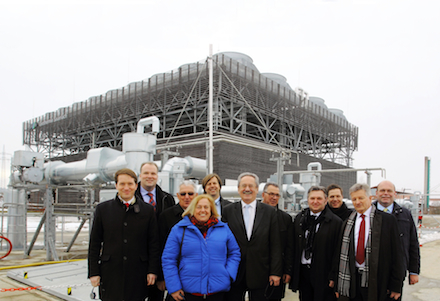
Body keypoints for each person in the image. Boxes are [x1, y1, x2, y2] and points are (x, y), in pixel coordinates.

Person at [88, 168, 159, 301]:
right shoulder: (103, 209)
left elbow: (153, 243)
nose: (126, 188)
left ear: (136, 186)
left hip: (138, 272)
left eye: (130, 184)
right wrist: (94, 272)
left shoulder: (147, 211)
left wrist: (152, 270)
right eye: (122, 184)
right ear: (116, 185)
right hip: (110, 272)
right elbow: (95, 243)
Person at [162, 194, 241, 301]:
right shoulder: (179, 230)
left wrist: (228, 274)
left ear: (211, 209)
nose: (202, 210)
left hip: (217, 292)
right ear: (193, 209)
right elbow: (168, 259)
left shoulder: (223, 229)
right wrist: (174, 287)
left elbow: (234, 253)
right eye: (199, 207)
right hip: (188, 293)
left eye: (206, 207)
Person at [336, 183, 404, 301]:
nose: (357, 202)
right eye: (354, 199)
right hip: (352, 279)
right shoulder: (347, 223)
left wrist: (396, 285)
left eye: (361, 198)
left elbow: (397, 255)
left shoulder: (387, 221)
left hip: (377, 280)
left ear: (370, 198)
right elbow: (339, 253)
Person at [222, 172, 282, 301]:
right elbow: (223, 243)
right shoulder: (228, 211)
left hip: (261, 272)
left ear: (256, 189)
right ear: (238, 189)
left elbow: (275, 244)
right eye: (244, 186)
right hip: (235, 272)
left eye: (251, 186)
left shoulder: (270, 212)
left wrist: (275, 272)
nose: (247, 189)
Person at [290, 186, 342, 301]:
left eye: (319, 198)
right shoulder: (300, 219)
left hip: (323, 274)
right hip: (304, 273)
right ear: (307, 199)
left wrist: (333, 276)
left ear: (325, 200)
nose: (315, 201)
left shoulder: (335, 222)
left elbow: (337, 252)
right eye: (312, 198)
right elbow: (293, 246)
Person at [135, 161, 175, 301]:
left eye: (153, 173)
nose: (149, 176)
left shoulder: (167, 199)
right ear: (140, 175)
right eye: (146, 173)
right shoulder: (131, 198)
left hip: (159, 265)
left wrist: (164, 275)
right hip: (135, 265)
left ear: (157, 176)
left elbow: (170, 240)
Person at [374, 180, 420, 293]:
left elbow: (413, 243)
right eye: (382, 190)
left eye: (389, 191)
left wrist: (414, 271)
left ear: (395, 194)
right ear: (376, 193)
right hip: (372, 270)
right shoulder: (367, 213)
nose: (386, 193)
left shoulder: (405, 214)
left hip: (397, 271)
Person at [157, 180, 198, 298]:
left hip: (195, 275)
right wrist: (162, 277)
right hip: (174, 274)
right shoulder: (166, 216)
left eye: (190, 194)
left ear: (196, 195)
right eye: (183, 194)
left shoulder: (202, 215)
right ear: (178, 195)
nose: (186, 197)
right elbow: (160, 246)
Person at [262, 183, 294, 301]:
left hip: (277, 270)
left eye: (277, 195)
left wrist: (287, 270)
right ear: (263, 195)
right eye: (271, 194)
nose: (274, 197)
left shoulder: (285, 218)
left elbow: (289, 247)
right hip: (257, 270)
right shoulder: (253, 215)